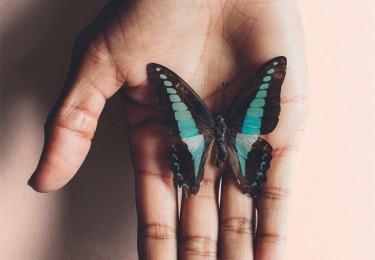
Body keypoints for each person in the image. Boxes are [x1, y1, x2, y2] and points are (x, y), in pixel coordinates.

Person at [28, 0, 308, 259]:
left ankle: (201, 176)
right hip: (238, 144)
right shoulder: (238, 113)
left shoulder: (199, 118)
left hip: (196, 145)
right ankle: (226, 174)